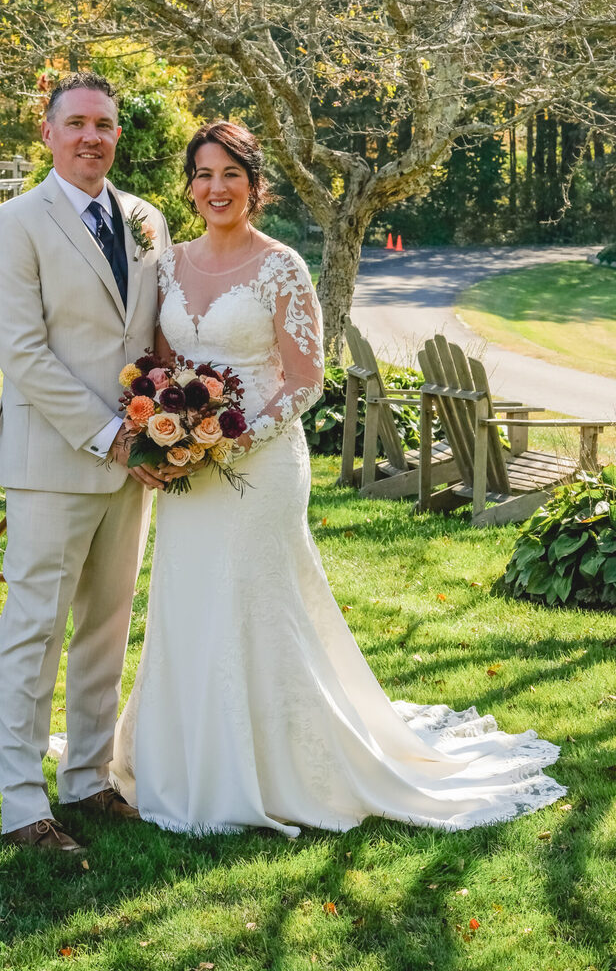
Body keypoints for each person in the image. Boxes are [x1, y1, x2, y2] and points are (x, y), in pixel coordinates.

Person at [108, 121, 565, 835]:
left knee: (255, 599)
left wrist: (236, 435)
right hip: (191, 470)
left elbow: (306, 377)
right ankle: (189, 756)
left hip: (262, 464)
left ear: (254, 185)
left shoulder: (281, 266)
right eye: (203, 174)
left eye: (230, 174)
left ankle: (279, 765)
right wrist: (170, 431)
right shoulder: (169, 265)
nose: (216, 188)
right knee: (190, 599)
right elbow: (165, 365)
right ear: (189, 184)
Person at [0, 71, 171, 851]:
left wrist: (166, 426)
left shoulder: (147, 220)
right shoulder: (14, 223)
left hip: (134, 467)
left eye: (104, 124)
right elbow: (22, 352)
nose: (92, 137)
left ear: (117, 134)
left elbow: (152, 337)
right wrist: (108, 434)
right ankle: (22, 804)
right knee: (34, 631)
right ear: (49, 133)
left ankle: (88, 778)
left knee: (106, 626)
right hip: (52, 459)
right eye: (77, 124)